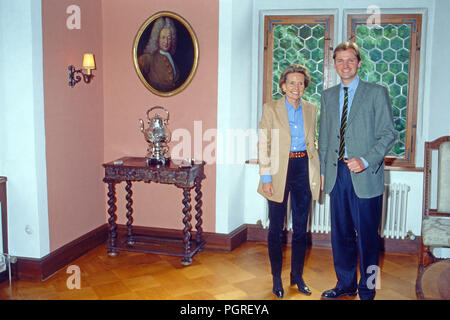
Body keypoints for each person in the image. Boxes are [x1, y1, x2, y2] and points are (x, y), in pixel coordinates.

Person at [318, 42, 397, 300]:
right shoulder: (328, 96)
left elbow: (389, 134)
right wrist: (322, 172)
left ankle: (368, 289)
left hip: (366, 175)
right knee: (340, 236)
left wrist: (365, 159)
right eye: (340, 60)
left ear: (359, 62)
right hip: (336, 175)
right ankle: (345, 285)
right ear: (334, 64)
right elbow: (325, 138)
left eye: (350, 60)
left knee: (368, 239)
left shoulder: (376, 92)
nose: (345, 65)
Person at [257, 64, 320, 299]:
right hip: (278, 172)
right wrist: (266, 178)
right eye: (291, 82)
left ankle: (297, 276)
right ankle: (276, 278)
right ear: (283, 85)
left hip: (303, 168)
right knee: (276, 229)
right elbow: (264, 144)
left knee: (301, 229)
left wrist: (318, 174)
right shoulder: (271, 108)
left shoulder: (312, 109)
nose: (296, 87)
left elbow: (313, 143)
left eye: (300, 83)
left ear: (305, 86)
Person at [138, 16, 180, 92]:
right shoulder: (148, 58)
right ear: (157, 38)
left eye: (169, 38)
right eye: (163, 37)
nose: (166, 42)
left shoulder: (172, 59)